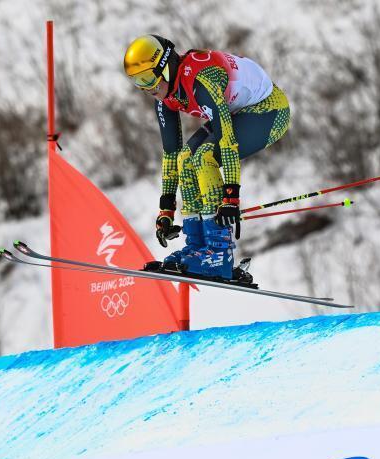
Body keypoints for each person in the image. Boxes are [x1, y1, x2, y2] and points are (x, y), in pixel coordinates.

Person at [123, 34, 291, 281]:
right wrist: (166, 209)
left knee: (203, 156)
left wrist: (231, 197)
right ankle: (198, 245)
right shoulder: (165, 97)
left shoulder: (201, 80)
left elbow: (227, 142)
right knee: (185, 158)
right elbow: (171, 154)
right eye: (138, 82)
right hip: (238, 113)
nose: (147, 89)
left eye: (148, 78)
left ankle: (219, 252)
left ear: (166, 67)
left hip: (268, 110)